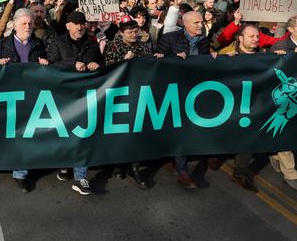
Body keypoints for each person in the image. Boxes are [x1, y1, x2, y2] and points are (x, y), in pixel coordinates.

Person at [0, 8, 49, 193]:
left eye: (30, 23)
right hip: (11, 96)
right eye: (24, 23)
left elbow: (47, 66)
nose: (27, 26)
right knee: (14, 135)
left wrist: (45, 65)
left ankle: (21, 173)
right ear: (14, 25)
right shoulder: (2, 45)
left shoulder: (39, 43)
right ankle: (17, 169)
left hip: (32, 96)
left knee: (28, 134)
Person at [155, 11, 211, 189]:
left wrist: (217, 59)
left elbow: (205, 62)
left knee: (184, 130)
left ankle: (177, 162)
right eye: (197, 23)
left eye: (201, 22)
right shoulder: (170, 38)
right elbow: (157, 60)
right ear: (185, 24)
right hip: (172, 91)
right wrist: (174, 59)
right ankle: (182, 171)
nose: (201, 25)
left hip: (194, 91)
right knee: (177, 129)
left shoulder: (203, 40)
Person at [46, 11, 99, 195]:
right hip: (62, 97)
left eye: (82, 23)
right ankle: (64, 164)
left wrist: (96, 65)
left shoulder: (92, 43)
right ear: (68, 25)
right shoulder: (58, 42)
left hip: (85, 97)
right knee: (64, 133)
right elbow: (50, 65)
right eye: (76, 23)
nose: (80, 27)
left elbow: (101, 63)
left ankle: (80, 177)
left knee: (82, 134)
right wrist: (72, 63)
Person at [104, 19, 151, 188]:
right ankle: (117, 163)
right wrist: (124, 61)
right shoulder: (112, 46)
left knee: (136, 129)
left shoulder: (143, 46)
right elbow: (108, 69)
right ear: (121, 32)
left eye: (136, 31)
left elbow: (149, 66)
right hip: (118, 93)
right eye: (130, 31)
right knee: (119, 129)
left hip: (137, 92)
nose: (134, 34)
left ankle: (134, 166)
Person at [215, 23, 260, 192]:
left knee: (247, 137)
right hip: (227, 103)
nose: (256, 39)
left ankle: (240, 173)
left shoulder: (263, 55)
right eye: (251, 36)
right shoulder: (227, 53)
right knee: (223, 133)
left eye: (257, 36)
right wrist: (222, 60)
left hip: (249, 105)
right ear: (240, 38)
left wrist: (281, 57)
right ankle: (216, 154)